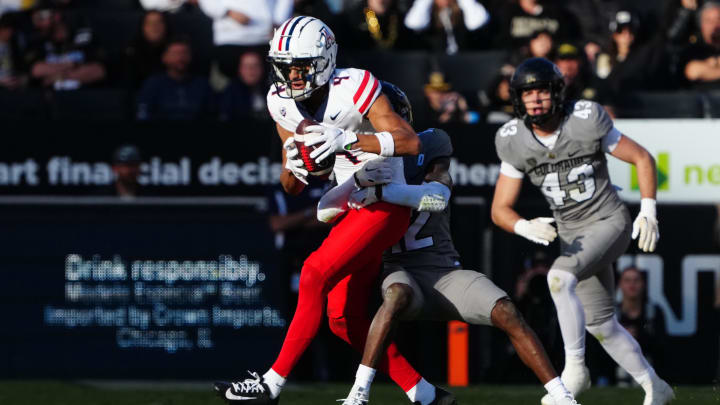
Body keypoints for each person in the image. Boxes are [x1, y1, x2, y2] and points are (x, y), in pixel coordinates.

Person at [213, 16, 445, 405]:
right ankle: (424, 394)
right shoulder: (280, 101)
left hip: (385, 200)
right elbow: (291, 185)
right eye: (284, 67)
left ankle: (271, 384)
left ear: (324, 59)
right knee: (342, 319)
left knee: (314, 272)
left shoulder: (353, 85)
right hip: (351, 206)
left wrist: (349, 138)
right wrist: (297, 165)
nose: (292, 76)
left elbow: (409, 142)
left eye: (300, 66)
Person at [316, 82, 579, 405]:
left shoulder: (431, 143)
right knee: (396, 295)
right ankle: (358, 393)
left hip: (441, 268)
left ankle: (563, 397)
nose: (380, 125)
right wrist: (354, 183)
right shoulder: (357, 156)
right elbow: (325, 212)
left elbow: (436, 198)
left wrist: (382, 193)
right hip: (397, 269)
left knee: (506, 310)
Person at [490, 57, 673, 405]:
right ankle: (655, 386)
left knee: (558, 279)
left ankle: (574, 369)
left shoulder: (585, 119)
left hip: (609, 220)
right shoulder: (513, 139)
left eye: (541, 90)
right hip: (573, 237)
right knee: (601, 324)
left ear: (557, 92)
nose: (535, 100)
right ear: (518, 99)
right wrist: (523, 225)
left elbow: (643, 158)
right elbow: (500, 209)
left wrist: (648, 210)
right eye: (527, 93)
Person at [198, 0, 293, 78]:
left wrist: (279, 21)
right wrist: (226, 12)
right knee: (230, 85)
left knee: (269, 84)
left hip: (265, 37)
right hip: (229, 37)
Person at [24, 8, 106, 90]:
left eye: (40, 18)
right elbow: (36, 70)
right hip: (51, 99)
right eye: (34, 20)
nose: (36, 24)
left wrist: (60, 77)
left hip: (86, 97)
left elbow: (99, 71)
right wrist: (71, 66)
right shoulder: (38, 42)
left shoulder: (84, 37)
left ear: (56, 16)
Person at [136, 37, 215, 121]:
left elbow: (213, 114)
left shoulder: (203, 85)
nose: (180, 58)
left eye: (184, 53)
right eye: (175, 53)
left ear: (190, 56)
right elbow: (143, 114)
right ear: (164, 58)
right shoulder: (152, 85)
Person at [404, 0, 490, 55]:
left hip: (464, 61)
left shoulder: (463, 10)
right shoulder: (427, 13)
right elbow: (413, 23)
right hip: (434, 66)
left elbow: (476, 23)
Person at [124, 10, 171, 88]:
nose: (154, 26)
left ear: (165, 26)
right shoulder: (131, 52)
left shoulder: (176, 50)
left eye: (159, 22)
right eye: (149, 23)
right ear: (142, 27)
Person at [219, 51, 269, 121]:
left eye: (256, 65)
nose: (251, 70)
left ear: (262, 69)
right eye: (246, 66)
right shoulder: (230, 93)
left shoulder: (271, 89)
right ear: (240, 69)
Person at [681, 1, 720, 89]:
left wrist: (711, 65)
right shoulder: (695, 49)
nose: (714, 25)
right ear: (701, 25)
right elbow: (693, 71)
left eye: (718, 19)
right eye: (708, 20)